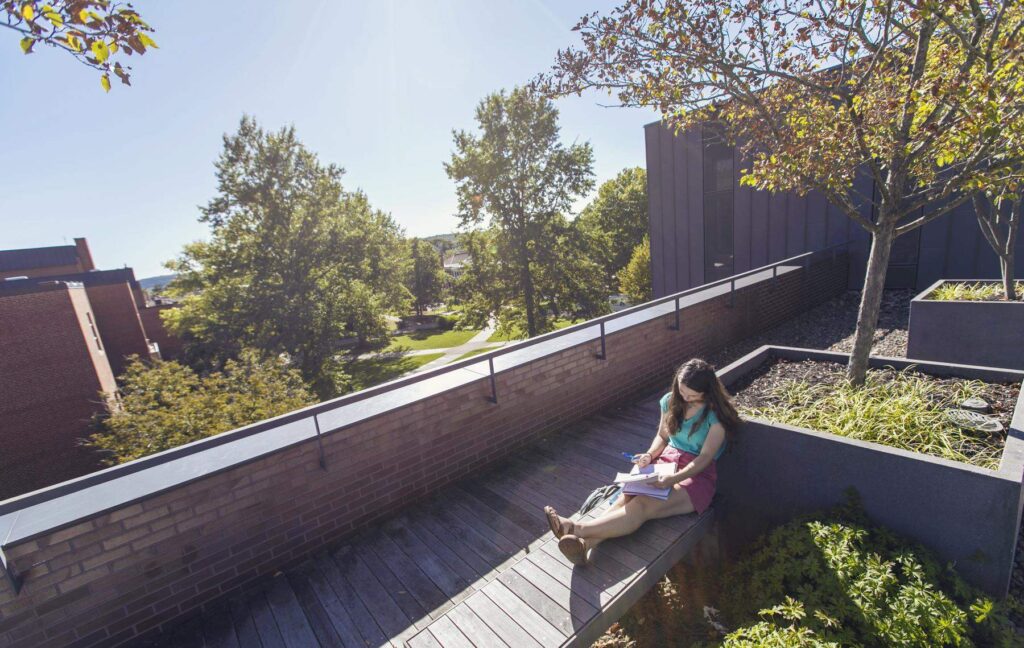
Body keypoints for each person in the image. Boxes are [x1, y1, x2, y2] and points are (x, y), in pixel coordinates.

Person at [543, 358, 741, 565]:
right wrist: (649, 455)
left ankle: (575, 529)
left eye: (692, 395)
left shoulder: (715, 416)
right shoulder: (670, 401)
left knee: (642, 505)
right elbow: (663, 437)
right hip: (665, 462)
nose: (685, 397)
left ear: (707, 391)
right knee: (625, 498)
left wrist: (673, 478)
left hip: (695, 476)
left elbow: (704, 458)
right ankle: (584, 546)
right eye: (682, 391)